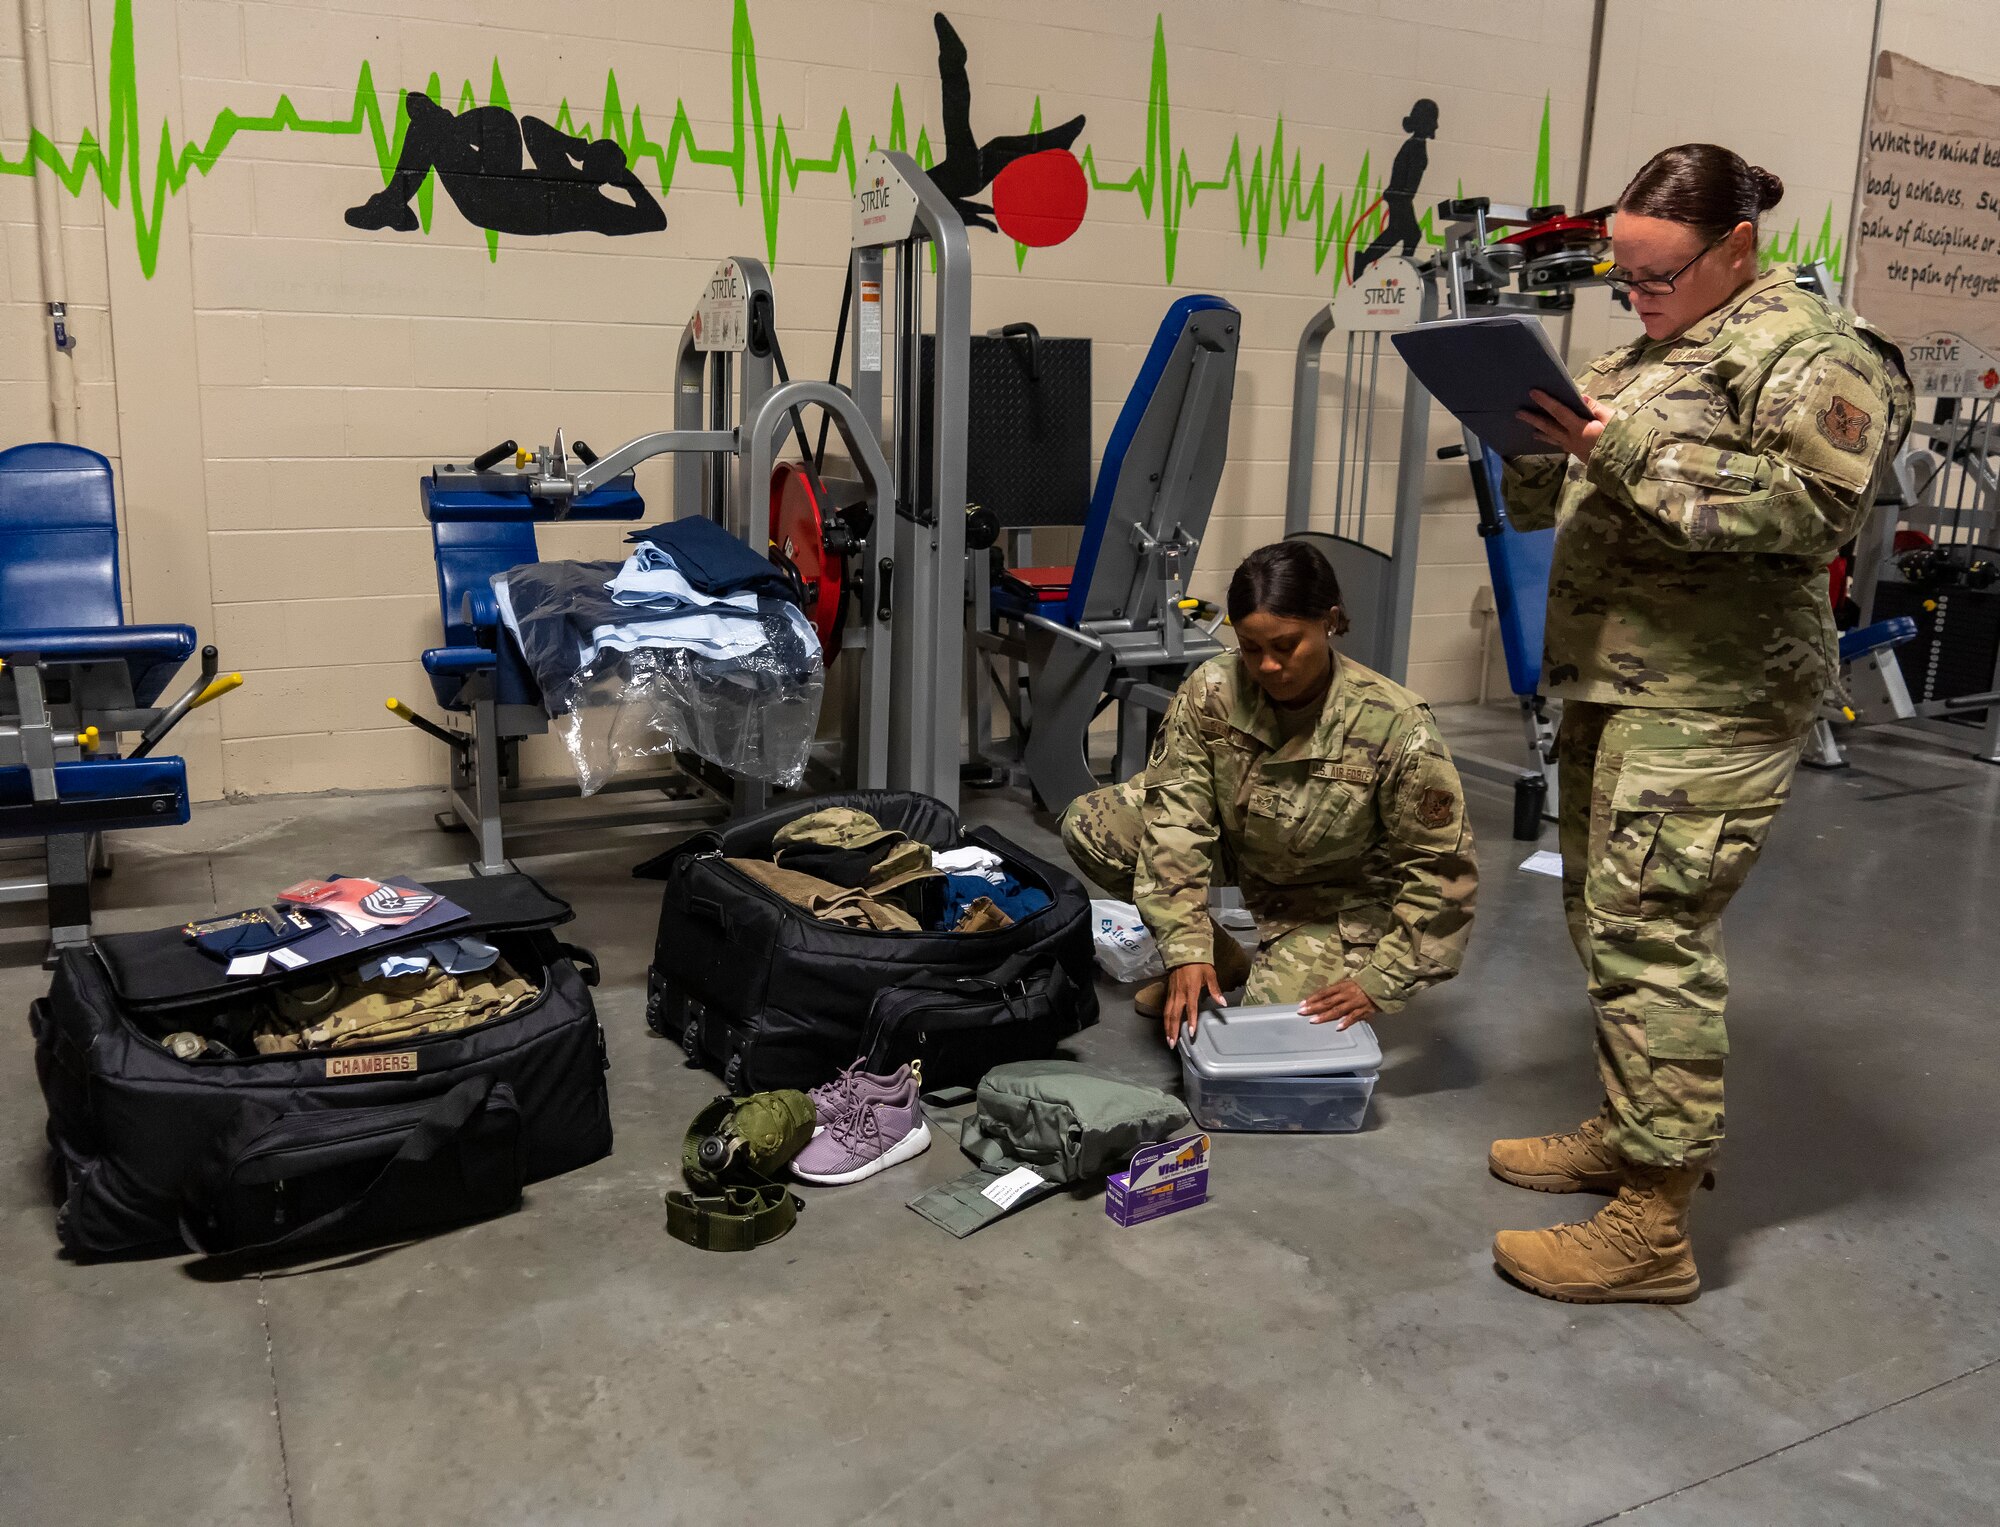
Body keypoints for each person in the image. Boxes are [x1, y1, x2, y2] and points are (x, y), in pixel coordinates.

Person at [1490, 144, 1913, 1304]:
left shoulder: (1814, 354)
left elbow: (1807, 511)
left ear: (1735, 246)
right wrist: (1531, 447)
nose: (1634, 296)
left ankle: (1653, 1228)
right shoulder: (1648, 345)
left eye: (1656, 274)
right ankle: (1636, 1133)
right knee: (1600, 917)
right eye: (1620, 276)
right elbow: (1589, 486)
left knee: (1649, 931)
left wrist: (1607, 442)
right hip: (1620, 682)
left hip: (1713, 695)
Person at [1060, 540, 1478, 1048]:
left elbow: (1442, 871)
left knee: (1265, 1040)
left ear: (1329, 620)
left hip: (1333, 896)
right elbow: (1176, 821)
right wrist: (1187, 948)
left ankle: (1295, 961)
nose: (1269, 667)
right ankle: (1216, 958)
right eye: (1251, 648)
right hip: (1244, 845)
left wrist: (1382, 981)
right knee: (1094, 823)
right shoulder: (1212, 690)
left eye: (1286, 646)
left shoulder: (1394, 723)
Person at [347, 92, 665, 238]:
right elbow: (529, 125)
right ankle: (394, 200)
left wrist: (624, 177)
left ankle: (392, 200)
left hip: (487, 203)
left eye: (597, 151)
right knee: (502, 119)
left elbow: (656, 220)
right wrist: (572, 146)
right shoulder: (564, 171)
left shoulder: (595, 209)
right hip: (500, 181)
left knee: (428, 127)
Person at [1352, 99, 1438, 282]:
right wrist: (1398, 193)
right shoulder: (1415, 147)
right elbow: (1404, 175)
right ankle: (1402, 270)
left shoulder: (1414, 145)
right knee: (1411, 234)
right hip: (1401, 198)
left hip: (1400, 197)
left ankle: (1366, 259)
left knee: (1397, 233)